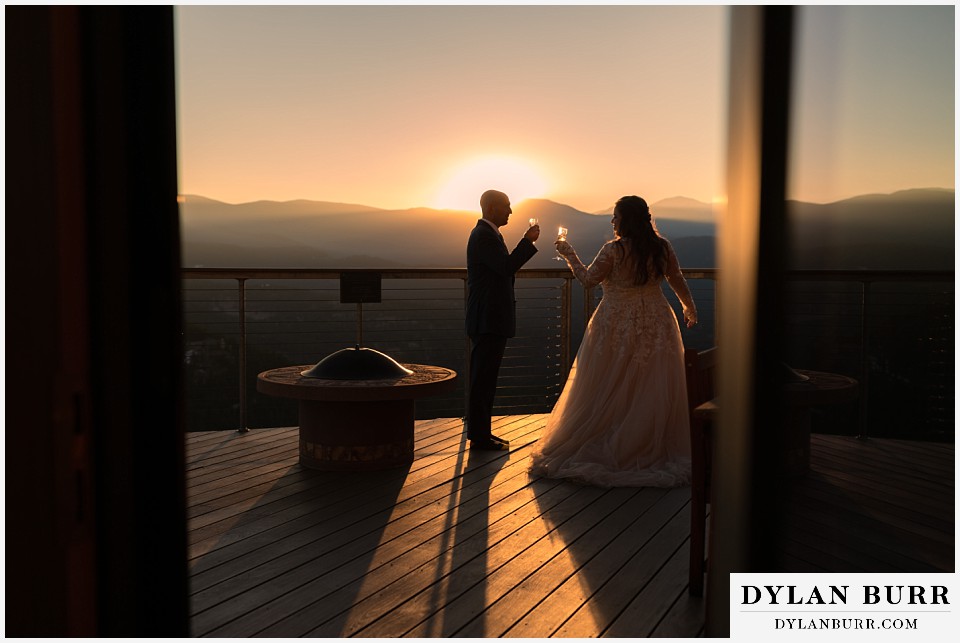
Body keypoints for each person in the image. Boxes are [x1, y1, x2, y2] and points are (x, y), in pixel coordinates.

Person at [530, 195, 697, 486]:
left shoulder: (614, 251)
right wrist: (688, 306)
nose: (612, 221)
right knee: (651, 382)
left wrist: (568, 253)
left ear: (626, 220)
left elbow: (587, 279)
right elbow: (676, 278)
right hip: (656, 321)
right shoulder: (662, 247)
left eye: (616, 216)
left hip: (616, 323)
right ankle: (648, 441)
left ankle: (615, 439)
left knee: (608, 380)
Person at [465, 189, 540, 451]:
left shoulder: (487, 234)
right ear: (493, 208)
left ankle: (482, 433)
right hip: (487, 318)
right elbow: (506, 267)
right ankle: (479, 436)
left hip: (490, 317)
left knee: (486, 378)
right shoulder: (484, 236)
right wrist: (527, 242)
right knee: (482, 379)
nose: (510, 211)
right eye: (507, 207)